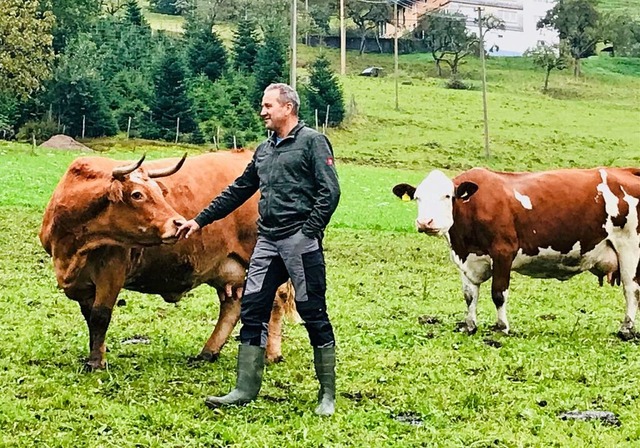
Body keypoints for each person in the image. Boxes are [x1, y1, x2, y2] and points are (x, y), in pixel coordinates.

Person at [176, 83, 341, 416]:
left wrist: (308, 232)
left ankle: (327, 395)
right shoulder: (264, 150)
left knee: (313, 313)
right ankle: (244, 389)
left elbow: (330, 192)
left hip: (300, 243)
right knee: (251, 308)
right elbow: (238, 190)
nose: (263, 111)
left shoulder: (312, 142)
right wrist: (198, 220)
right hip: (267, 242)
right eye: (262, 106)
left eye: (268, 106)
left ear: (288, 108)